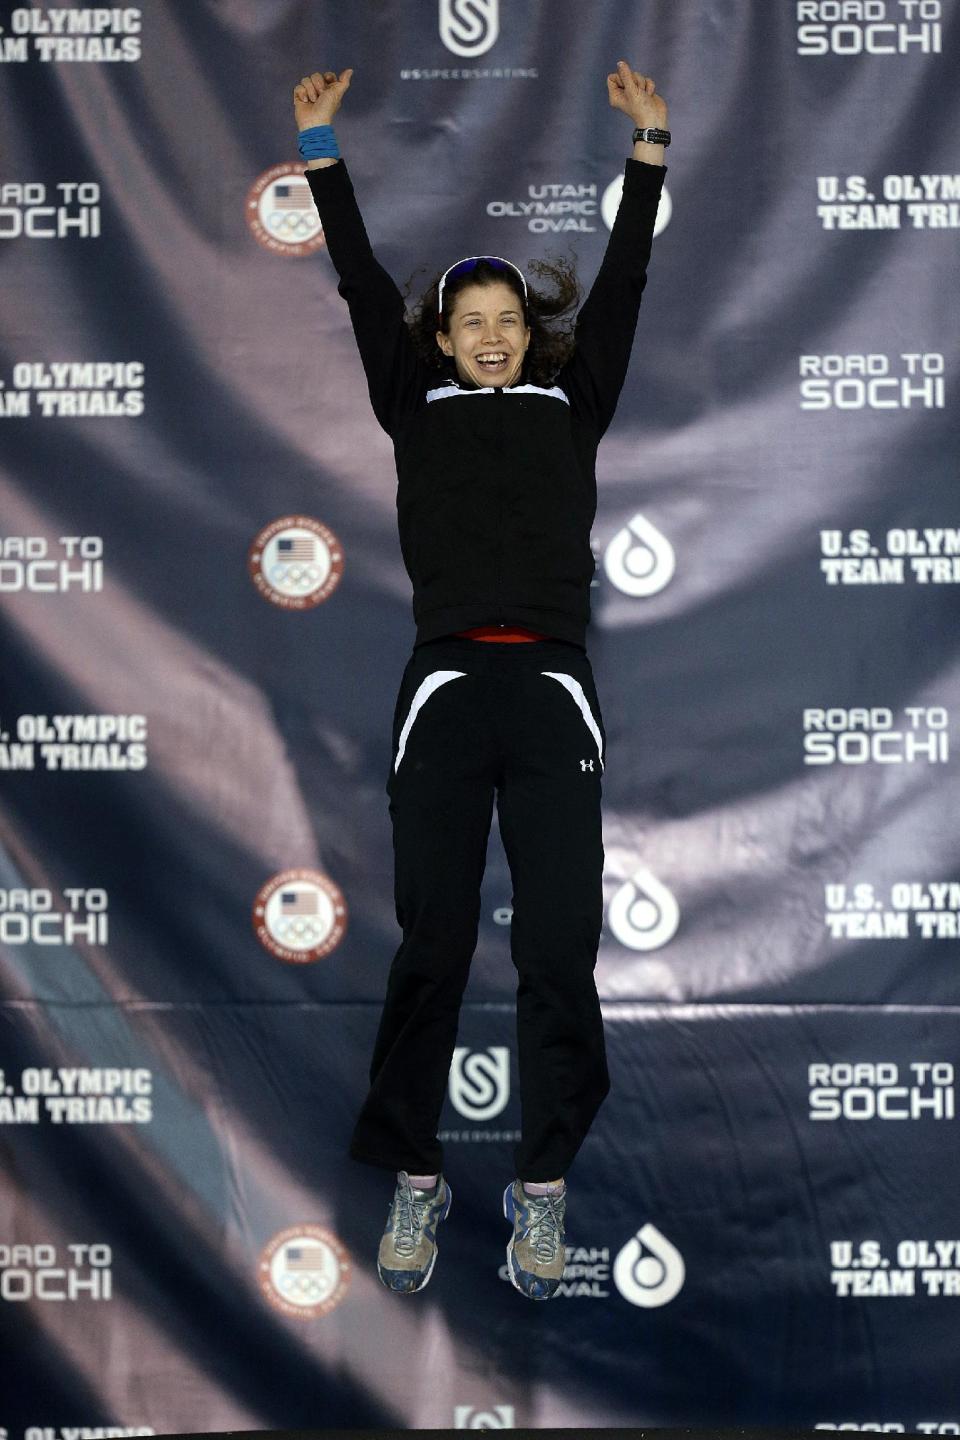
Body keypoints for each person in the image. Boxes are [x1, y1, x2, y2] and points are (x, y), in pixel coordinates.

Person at [292, 60, 669, 1300]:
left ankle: (543, 1191)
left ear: (530, 331)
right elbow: (356, 281)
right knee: (436, 943)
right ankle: (416, 1176)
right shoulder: (413, 404)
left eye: (509, 316)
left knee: (560, 945)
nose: (494, 333)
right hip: (448, 695)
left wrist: (649, 153)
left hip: (551, 691)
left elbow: (624, 282)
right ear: (442, 341)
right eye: (472, 321)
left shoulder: (576, 400)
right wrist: (321, 152)